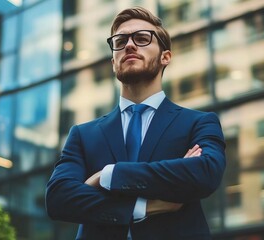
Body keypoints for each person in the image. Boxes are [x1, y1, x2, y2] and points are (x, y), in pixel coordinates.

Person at [46, 6, 226, 240]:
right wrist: (143, 206)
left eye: (142, 38)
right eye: (120, 41)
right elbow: (59, 199)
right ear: (113, 61)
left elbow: (205, 173)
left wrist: (107, 175)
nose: (129, 45)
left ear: (165, 57)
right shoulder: (83, 134)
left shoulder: (198, 123)